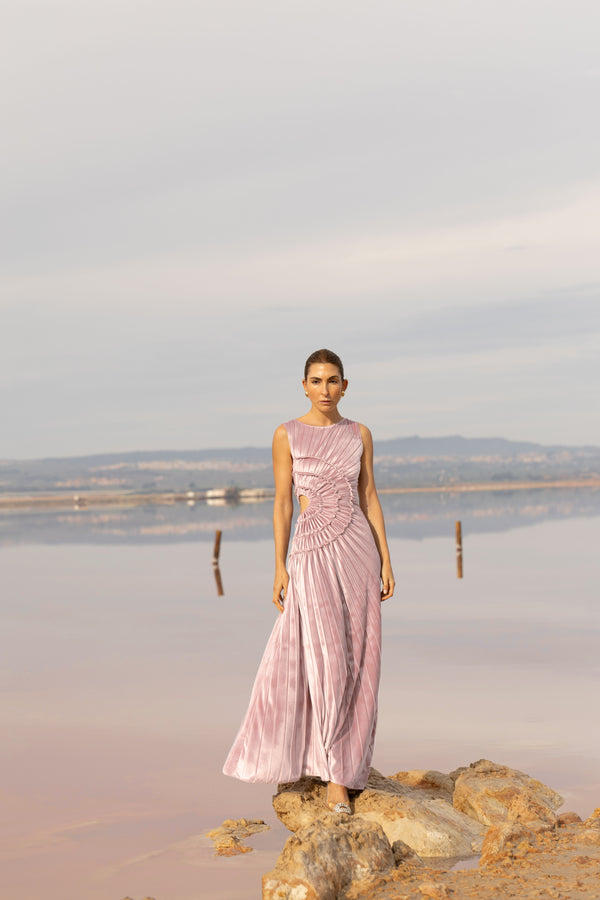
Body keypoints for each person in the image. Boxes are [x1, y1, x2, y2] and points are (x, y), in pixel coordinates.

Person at [223, 348, 394, 813]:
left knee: (360, 656)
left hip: (358, 551)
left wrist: (386, 559)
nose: (325, 389)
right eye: (316, 381)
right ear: (303, 386)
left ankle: (343, 772)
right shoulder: (287, 434)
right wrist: (278, 565)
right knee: (325, 658)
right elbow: (282, 503)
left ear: (345, 385)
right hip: (311, 551)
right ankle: (328, 768)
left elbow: (370, 496)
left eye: (333, 380)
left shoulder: (359, 434)